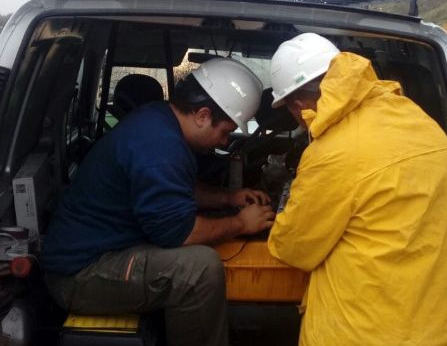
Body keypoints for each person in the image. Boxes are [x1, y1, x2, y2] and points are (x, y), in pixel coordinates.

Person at [42, 58, 275, 346]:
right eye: (225, 132)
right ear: (203, 115)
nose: (225, 142)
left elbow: (177, 191)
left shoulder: (160, 120)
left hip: (107, 250)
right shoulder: (160, 146)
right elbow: (180, 232)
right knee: (199, 268)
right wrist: (241, 222)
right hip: (80, 275)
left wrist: (228, 197)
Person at [267, 33, 447, 345]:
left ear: (298, 105)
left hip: (358, 332)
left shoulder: (332, 154)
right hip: (435, 328)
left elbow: (293, 248)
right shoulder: (423, 124)